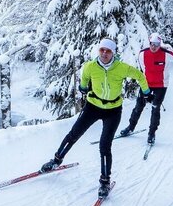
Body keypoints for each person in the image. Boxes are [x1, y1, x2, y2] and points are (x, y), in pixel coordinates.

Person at [40, 38, 150, 197]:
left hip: (113, 110)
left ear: (113, 53)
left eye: (108, 51)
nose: (104, 53)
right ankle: (56, 160)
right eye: (102, 50)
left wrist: (146, 92)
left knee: (105, 146)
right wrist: (83, 88)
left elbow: (140, 76)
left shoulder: (122, 68)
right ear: (99, 51)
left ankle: (104, 182)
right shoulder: (90, 66)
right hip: (93, 106)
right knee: (73, 134)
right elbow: (84, 79)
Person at [117, 32, 173, 145]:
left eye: (156, 44)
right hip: (146, 85)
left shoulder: (166, 54)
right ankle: (130, 127)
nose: (154, 46)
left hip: (161, 85)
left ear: (160, 44)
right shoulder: (142, 54)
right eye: (152, 44)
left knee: (155, 108)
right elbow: (142, 68)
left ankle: (152, 133)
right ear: (149, 43)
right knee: (138, 106)